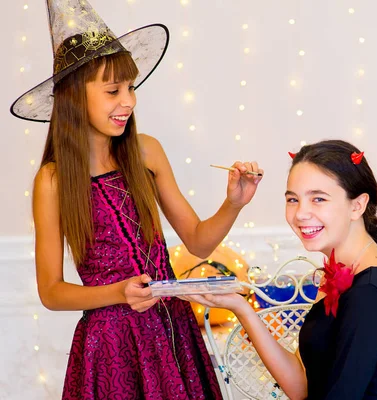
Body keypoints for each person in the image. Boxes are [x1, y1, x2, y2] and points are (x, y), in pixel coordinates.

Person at [11, 1, 263, 398]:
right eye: (113, 90)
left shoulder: (147, 152)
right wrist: (118, 292)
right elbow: (52, 291)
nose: (128, 100)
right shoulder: (53, 180)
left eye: (130, 87)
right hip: (110, 347)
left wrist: (234, 203)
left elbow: (198, 241)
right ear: (75, 97)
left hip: (172, 333)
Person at [183, 140, 377, 400]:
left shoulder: (370, 293)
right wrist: (240, 307)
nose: (300, 213)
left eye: (318, 199)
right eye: (293, 199)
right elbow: (302, 385)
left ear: (357, 205)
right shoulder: (342, 272)